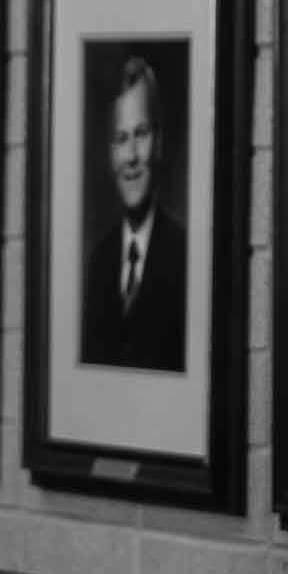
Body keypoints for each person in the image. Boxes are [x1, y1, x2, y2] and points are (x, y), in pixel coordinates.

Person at [78, 56, 186, 371]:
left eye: (141, 134)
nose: (132, 157)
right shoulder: (98, 262)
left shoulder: (186, 256)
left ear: (160, 142)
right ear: (111, 154)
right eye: (121, 139)